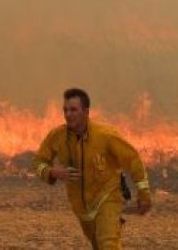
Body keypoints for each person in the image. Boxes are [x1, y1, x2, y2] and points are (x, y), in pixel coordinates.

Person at [34, 88, 152, 249]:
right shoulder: (57, 137)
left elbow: (133, 160)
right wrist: (52, 172)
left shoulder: (105, 136)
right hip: (82, 209)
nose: (68, 114)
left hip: (107, 199)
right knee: (98, 245)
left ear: (86, 112)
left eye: (73, 110)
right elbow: (39, 162)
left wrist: (143, 192)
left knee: (108, 244)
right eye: (66, 110)